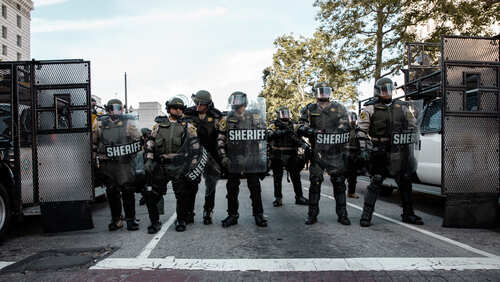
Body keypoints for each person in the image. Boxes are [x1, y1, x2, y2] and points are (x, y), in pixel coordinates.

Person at [358, 77, 424, 227]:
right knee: (376, 182)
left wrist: (410, 136)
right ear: (377, 91)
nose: (387, 93)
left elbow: (413, 126)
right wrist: (363, 149)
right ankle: (366, 216)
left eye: (389, 89)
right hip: (379, 150)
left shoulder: (402, 107)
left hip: (399, 151)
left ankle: (408, 214)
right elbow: (361, 131)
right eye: (384, 90)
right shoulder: (369, 108)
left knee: (405, 182)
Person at [296, 82, 351, 226]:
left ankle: (342, 215)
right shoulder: (309, 109)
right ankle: (312, 215)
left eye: (326, 91)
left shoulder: (339, 108)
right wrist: (312, 131)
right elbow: (300, 126)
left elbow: (346, 125)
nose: (323, 94)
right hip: (317, 152)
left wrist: (336, 131)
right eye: (320, 92)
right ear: (315, 93)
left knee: (339, 183)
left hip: (335, 151)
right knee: (315, 183)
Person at [145, 97, 201, 233]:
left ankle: (181, 220)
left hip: (179, 165)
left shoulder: (188, 126)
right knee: (153, 194)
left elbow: (196, 147)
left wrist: (193, 165)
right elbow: (150, 144)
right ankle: (154, 222)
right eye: (175, 107)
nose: (178, 110)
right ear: (169, 108)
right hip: (161, 165)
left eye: (181, 108)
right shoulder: (158, 125)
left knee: (182, 195)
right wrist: (149, 160)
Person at [217, 91, 268, 228]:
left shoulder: (255, 117)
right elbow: (221, 140)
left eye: (238, 100)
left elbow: (263, 138)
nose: (236, 103)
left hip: (251, 158)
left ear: (244, 102)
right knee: (232, 189)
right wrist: (224, 158)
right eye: (233, 100)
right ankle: (232, 215)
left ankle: (258, 215)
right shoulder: (227, 119)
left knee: (255, 189)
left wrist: (263, 158)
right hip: (234, 159)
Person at [93, 99, 141, 231]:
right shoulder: (99, 122)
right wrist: (93, 161)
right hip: (107, 162)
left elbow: (137, 138)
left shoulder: (128, 121)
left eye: (118, 108)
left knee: (127, 191)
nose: (115, 111)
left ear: (122, 109)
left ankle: (130, 220)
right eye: (112, 108)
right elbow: (94, 142)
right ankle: (117, 220)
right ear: (108, 109)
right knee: (112, 192)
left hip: (124, 163)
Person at [184, 90, 223, 225]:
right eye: (196, 103)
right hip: (193, 154)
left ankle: (208, 211)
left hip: (211, 154)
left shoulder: (216, 115)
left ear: (207, 104)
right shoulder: (188, 113)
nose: (197, 106)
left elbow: (222, 135)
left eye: (200, 104)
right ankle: (189, 212)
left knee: (210, 184)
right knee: (192, 184)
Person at [268, 106, 308, 207]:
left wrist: (306, 132)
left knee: (296, 177)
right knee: (277, 178)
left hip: (291, 154)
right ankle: (278, 199)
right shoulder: (274, 125)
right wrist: (281, 132)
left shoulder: (293, 125)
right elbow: (268, 134)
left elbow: (300, 131)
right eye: (283, 113)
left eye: (287, 113)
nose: (285, 116)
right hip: (277, 155)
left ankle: (299, 197)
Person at [345, 111, 360, 198]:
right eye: (352, 119)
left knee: (353, 175)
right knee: (342, 175)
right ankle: (340, 192)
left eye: (354, 119)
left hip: (354, 154)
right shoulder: (343, 129)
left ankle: (351, 192)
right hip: (345, 153)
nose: (353, 121)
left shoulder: (357, 129)